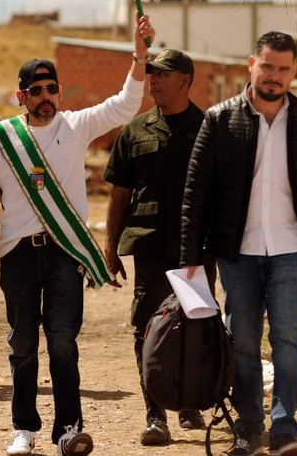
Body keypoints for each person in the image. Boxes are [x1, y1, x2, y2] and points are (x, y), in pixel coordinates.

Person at [0, 14, 156, 456]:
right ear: (22, 96)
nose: (45, 97)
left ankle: (68, 429)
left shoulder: (76, 126)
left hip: (63, 254)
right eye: (36, 90)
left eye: (52, 89)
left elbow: (126, 104)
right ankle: (24, 429)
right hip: (16, 255)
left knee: (63, 343)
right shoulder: (1, 138)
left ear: (60, 92)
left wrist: (140, 54)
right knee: (22, 345)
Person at [180, 31, 297, 456]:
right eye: (267, 66)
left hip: (291, 249)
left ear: (293, 72)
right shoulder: (219, 119)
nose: (274, 76)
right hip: (239, 252)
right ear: (251, 64)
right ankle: (249, 426)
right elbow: (197, 191)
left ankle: (285, 426)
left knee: (289, 337)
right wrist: (189, 256)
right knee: (243, 340)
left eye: (283, 69)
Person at [102, 48, 214, 446]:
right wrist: (110, 247)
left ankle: (189, 402)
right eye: (151, 75)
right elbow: (119, 195)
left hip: (195, 249)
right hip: (148, 246)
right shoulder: (135, 131)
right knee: (146, 328)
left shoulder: (209, 128)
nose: (153, 81)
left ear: (184, 80)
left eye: (162, 75)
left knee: (195, 325)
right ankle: (155, 415)